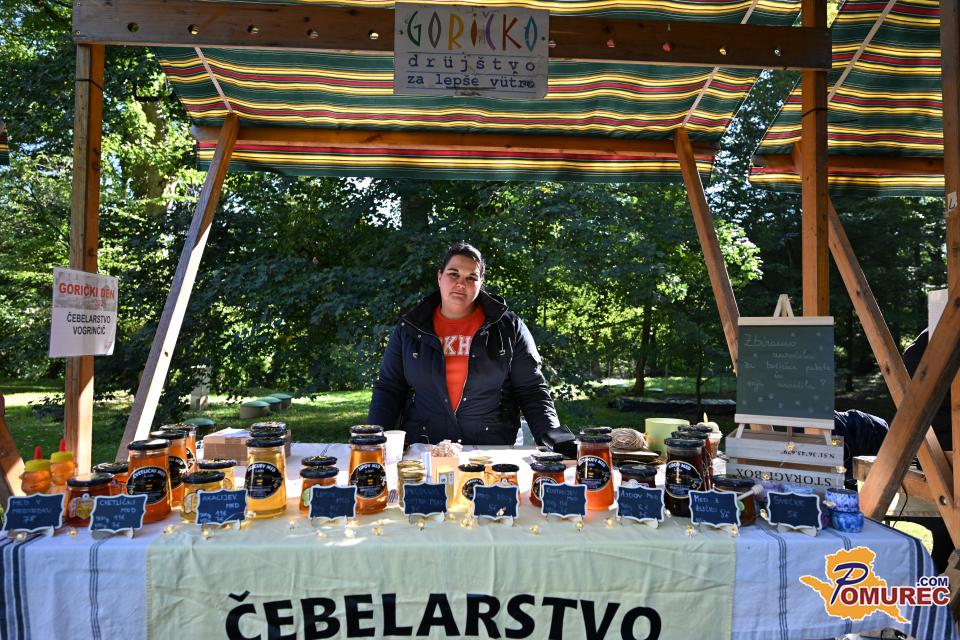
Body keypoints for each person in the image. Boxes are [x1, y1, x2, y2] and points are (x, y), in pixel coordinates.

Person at [367, 242, 577, 457]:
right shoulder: (410, 327)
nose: (461, 283)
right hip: (425, 450)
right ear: (439, 276)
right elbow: (389, 388)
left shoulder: (509, 327)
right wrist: (372, 440)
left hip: (490, 451)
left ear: (481, 283)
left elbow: (532, 390)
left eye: (471, 278)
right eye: (453, 274)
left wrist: (556, 439)